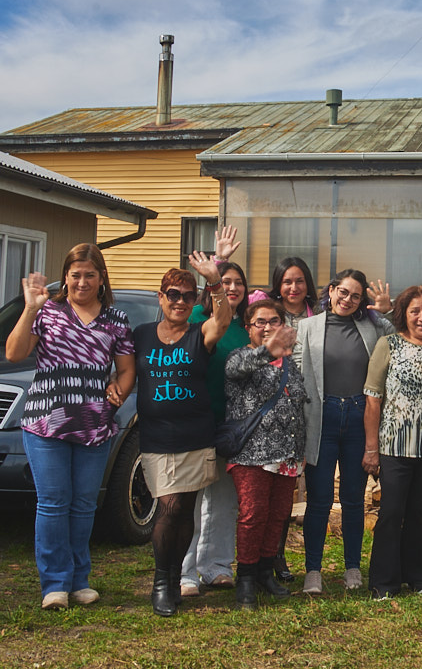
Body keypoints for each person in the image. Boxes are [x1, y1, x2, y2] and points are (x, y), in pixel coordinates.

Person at [5, 244, 136, 611]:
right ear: (65, 277)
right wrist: (30, 306)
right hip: (47, 421)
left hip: (94, 423)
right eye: (75, 275)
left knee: (82, 505)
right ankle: (55, 585)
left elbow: (127, 369)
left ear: (101, 278)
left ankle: (79, 580)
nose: (82, 281)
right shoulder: (48, 311)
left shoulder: (116, 320)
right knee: (53, 503)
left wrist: (120, 390)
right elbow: (15, 353)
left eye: (89, 275)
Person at [134, 254, 232, 616]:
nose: (179, 301)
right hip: (157, 437)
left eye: (188, 296)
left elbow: (222, 320)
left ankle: (174, 580)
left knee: (185, 509)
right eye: (172, 294)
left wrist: (215, 281)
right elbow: (126, 372)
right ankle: (162, 582)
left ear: (194, 302)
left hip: (195, 436)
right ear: (160, 297)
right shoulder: (141, 335)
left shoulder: (198, 333)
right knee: (169, 507)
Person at [293, 268, 393, 596]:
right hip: (321, 416)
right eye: (344, 292)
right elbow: (294, 373)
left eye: (356, 296)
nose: (348, 300)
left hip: (358, 417)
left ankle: (352, 566)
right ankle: (313, 571)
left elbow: (398, 336)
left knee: (353, 498)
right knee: (319, 499)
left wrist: (386, 309)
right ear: (332, 290)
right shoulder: (307, 327)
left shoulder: (371, 327)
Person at [363, 285, 422, 599]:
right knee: (392, 511)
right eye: (415, 311)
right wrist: (371, 448)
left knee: (419, 513)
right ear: (403, 314)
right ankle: (383, 581)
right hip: (395, 446)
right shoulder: (388, 345)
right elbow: (373, 400)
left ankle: (417, 578)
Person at [223, 299, 307, 609]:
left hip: (287, 455)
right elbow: (237, 369)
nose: (268, 327)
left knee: (277, 515)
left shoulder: (290, 364)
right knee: (253, 515)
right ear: (249, 328)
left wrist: (300, 451)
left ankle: (264, 572)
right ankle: (245, 577)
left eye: (274, 321)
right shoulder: (240, 357)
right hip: (252, 455)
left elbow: (298, 406)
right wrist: (269, 349)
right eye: (260, 322)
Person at [178, 255, 250, 597]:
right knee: (189, 503)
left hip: (231, 427)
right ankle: (186, 571)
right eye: (226, 282)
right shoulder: (195, 318)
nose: (232, 287)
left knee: (224, 500)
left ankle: (217, 566)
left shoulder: (246, 326)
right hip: (195, 423)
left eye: (238, 282)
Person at [248, 256, 320, 329]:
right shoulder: (265, 306)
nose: (294, 288)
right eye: (287, 282)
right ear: (278, 284)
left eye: (299, 281)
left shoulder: (319, 314)